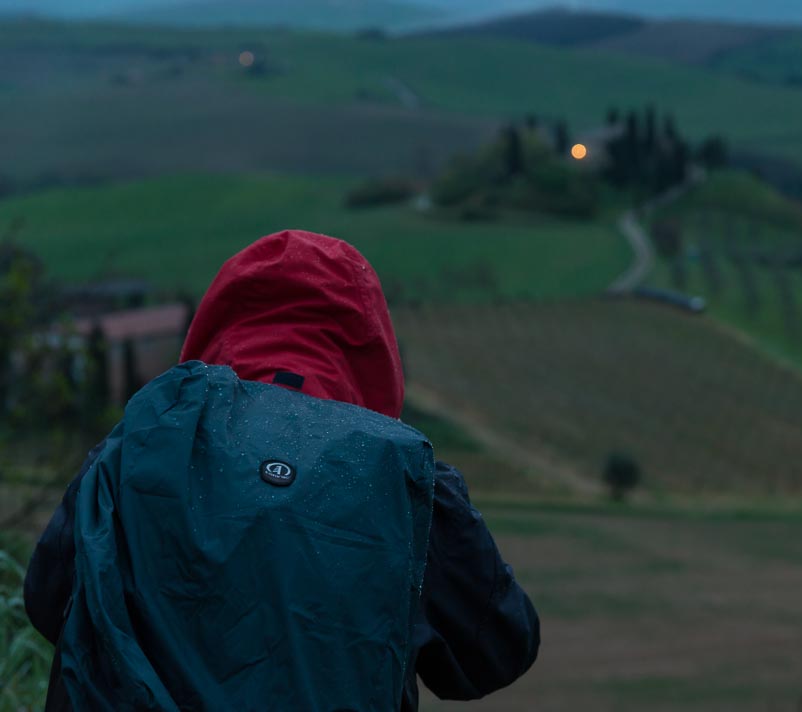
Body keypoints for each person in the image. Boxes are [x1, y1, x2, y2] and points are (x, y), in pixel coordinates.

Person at [24, 230, 540, 711]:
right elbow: (495, 653)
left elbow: (48, 602)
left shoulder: (138, 445)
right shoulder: (402, 475)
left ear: (218, 321)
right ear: (371, 341)